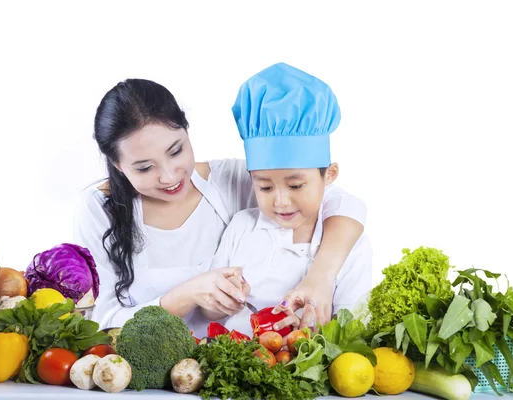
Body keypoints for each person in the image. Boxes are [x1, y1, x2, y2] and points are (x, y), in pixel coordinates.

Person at [73, 77, 367, 338]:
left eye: (176, 151)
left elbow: (336, 200)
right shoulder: (99, 209)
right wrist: (185, 296)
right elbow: (101, 323)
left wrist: (320, 278)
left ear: (187, 130)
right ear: (117, 165)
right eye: (144, 167)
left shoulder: (228, 181)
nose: (169, 176)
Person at [204, 62, 372, 336]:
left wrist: (316, 328)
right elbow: (208, 312)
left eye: (295, 185)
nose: (280, 202)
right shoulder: (242, 227)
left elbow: (354, 329)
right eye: (265, 188)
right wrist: (224, 297)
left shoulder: (351, 245)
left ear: (329, 175)